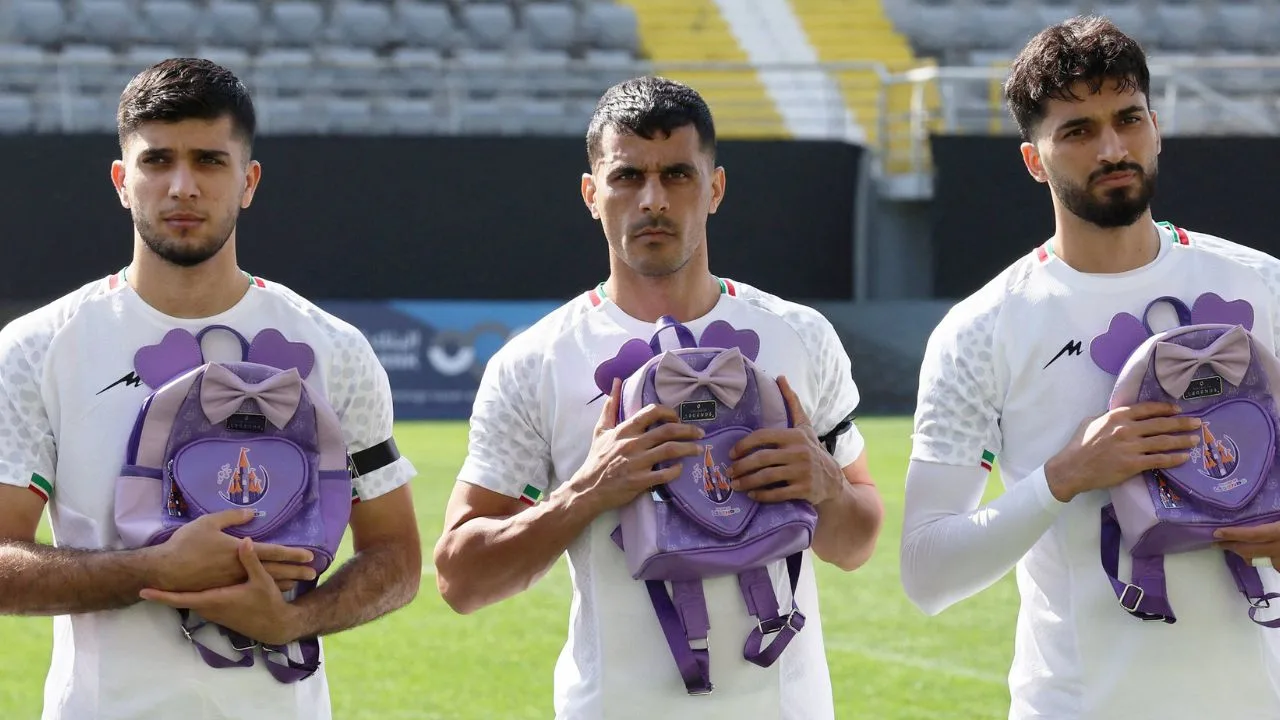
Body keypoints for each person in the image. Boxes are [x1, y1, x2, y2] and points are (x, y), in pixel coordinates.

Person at [433, 76, 884, 718]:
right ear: (592, 194)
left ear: (715, 189)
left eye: (677, 175)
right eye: (626, 177)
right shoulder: (535, 362)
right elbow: (460, 580)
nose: (653, 200)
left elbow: (857, 543)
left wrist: (828, 487)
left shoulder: (801, 336)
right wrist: (584, 494)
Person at [0, 58, 421, 720]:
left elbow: (397, 558)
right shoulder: (36, 349)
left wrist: (293, 620)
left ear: (248, 181)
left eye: (209, 161)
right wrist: (155, 570)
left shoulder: (335, 350)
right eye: (157, 161)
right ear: (121, 181)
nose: (182, 186)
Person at [901, 15, 1280, 719]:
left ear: (1155, 128)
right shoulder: (981, 331)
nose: (1112, 148)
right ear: (1034, 160)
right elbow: (927, 571)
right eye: (1077, 130)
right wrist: (1063, 477)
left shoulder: (1264, 286)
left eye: (1128, 119)